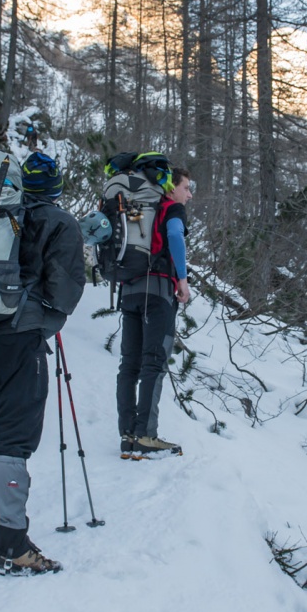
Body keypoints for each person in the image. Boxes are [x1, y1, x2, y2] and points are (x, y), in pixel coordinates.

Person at [0, 151, 85, 576]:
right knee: (12, 436)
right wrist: (40, 323)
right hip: (16, 337)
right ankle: (9, 545)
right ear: (57, 185)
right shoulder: (59, 222)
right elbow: (63, 292)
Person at [117, 166, 194, 459]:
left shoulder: (138, 207)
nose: (189, 194)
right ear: (171, 187)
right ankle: (146, 436)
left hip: (130, 290)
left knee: (129, 365)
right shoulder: (170, 208)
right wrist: (183, 280)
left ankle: (128, 435)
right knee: (153, 363)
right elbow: (175, 236)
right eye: (186, 187)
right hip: (159, 292)